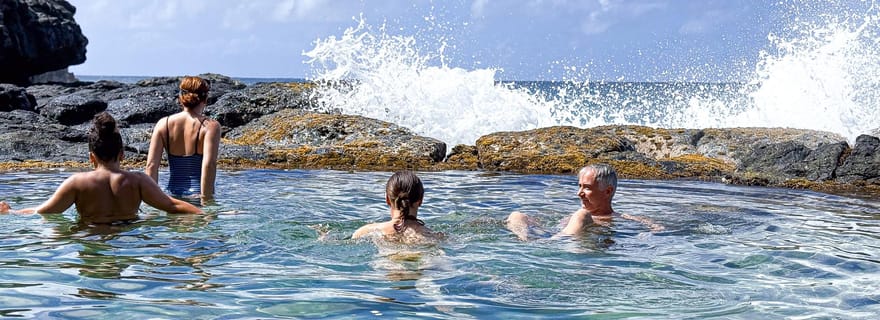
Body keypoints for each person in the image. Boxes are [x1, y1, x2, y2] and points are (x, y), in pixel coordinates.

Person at [0, 112, 202, 223]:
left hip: (90, 237)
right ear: (122, 154)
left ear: (91, 157)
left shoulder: (77, 183)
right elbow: (174, 206)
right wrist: (204, 216)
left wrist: (11, 212)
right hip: (128, 238)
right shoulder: (138, 181)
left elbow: (43, 211)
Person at [506, 164, 663, 241]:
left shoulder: (621, 218)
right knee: (517, 215)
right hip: (553, 237)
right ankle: (527, 243)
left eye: (586, 188)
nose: (579, 193)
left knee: (582, 215)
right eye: (579, 186)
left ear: (608, 191)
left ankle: (544, 245)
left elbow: (658, 228)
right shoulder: (573, 217)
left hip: (569, 243)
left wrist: (645, 234)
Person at [146, 75, 221, 200]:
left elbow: (151, 166)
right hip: (198, 195)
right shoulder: (210, 126)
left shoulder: (163, 124)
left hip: (171, 196)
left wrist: (153, 200)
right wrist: (206, 200)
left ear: (181, 97)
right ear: (205, 98)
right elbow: (209, 165)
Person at [352, 171, 445, 243]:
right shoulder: (436, 237)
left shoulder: (364, 232)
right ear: (421, 200)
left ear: (387, 199)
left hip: (387, 260)